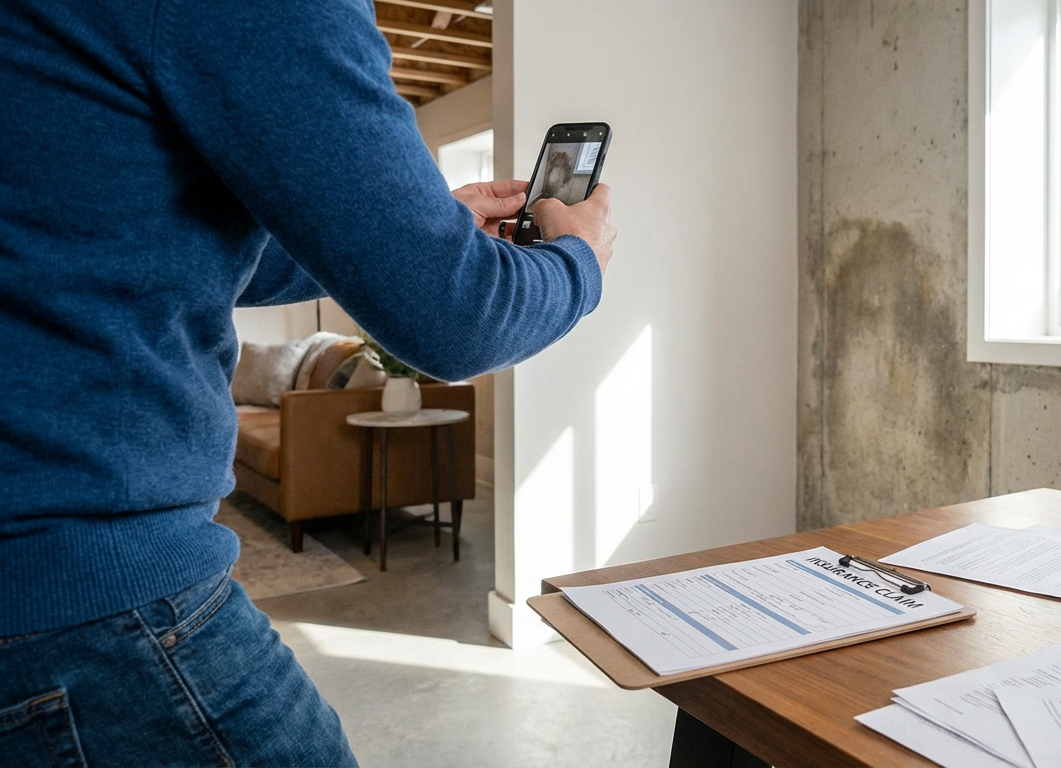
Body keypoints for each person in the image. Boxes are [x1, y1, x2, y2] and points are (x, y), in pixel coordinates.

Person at [0, 0, 615, 764]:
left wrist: (390, 241)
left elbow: (154, 241)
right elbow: (462, 319)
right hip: (84, 601)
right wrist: (580, 262)